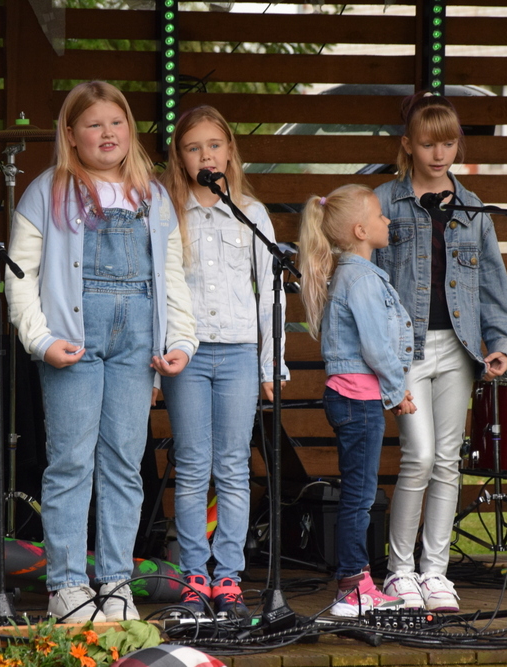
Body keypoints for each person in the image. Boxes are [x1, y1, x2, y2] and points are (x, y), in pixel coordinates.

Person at [5, 81, 197, 623]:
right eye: (94, 124)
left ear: (130, 129)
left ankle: (116, 583)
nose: (107, 133)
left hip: (136, 344)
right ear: (71, 134)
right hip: (74, 341)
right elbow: (20, 275)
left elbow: (171, 276)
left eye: (117, 122)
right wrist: (41, 340)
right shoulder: (47, 191)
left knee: (123, 463)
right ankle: (67, 587)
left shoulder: (152, 195)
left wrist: (181, 339)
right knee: (70, 462)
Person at [374, 92, 507, 612]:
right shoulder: (384, 202)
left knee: (447, 461)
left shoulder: (473, 208)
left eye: (449, 143)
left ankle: (435, 573)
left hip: (458, 349)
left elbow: (493, 285)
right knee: (417, 456)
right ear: (407, 144)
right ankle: (399, 572)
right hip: (405, 350)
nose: (439, 154)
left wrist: (502, 344)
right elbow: (362, 278)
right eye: (428, 144)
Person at [159, 106, 289, 618]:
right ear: (180, 158)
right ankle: (194, 575)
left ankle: (229, 578)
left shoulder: (250, 213)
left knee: (234, 466)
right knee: (193, 465)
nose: (206, 155)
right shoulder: (169, 211)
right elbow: (160, 290)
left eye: (214, 145)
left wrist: (271, 362)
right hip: (187, 353)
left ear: (230, 151)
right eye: (194, 148)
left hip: (238, 351)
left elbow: (270, 293)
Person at [298, 184, 414, 617]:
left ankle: (356, 584)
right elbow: (376, 347)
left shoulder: (351, 275)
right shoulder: (362, 279)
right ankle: (353, 589)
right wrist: (397, 391)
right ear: (361, 231)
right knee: (359, 498)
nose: (387, 220)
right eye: (380, 215)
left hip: (351, 398)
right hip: (360, 400)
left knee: (357, 494)